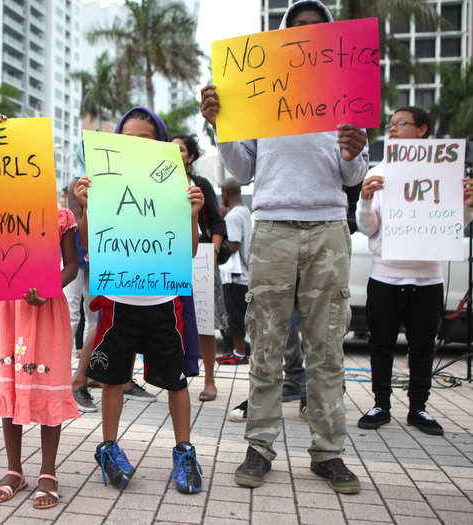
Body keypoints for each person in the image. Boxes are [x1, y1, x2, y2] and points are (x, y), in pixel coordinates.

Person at [200, 0, 368, 495]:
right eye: (298, 30)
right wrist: (221, 125)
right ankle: (259, 447)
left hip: (328, 228)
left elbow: (352, 175)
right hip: (272, 225)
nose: (308, 37)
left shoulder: (345, 94)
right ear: (282, 37)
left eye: (317, 30)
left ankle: (329, 452)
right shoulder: (259, 93)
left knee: (327, 344)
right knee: (266, 340)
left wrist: (354, 154)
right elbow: (243, 169)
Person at [74, 106, 205, 494]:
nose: (135, 145)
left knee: (176, 382)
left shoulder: (176, 187)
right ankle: (109, 448)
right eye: (126, 138)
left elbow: (190, 250)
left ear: (160, 144)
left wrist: (194, 214)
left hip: (163, 300)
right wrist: (84, 207)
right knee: (113, 380)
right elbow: (86, 241)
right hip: (118, 302)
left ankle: (184, 450)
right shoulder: (103, 184)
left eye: (144, 139)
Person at [356, 106, 473, 436]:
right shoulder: (379, 172)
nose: (392, 129)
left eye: (401, 124)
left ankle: (419, 407)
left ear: (422, 130)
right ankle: (381, 403)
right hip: (385, 275)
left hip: (427, 278)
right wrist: (365, 201)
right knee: (381, 343)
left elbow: (452, 226)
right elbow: (368, 228)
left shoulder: (445, 173)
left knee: (422, 345)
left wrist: (466, 204)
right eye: (390, 124)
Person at [0, 191, 80, 509]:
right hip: (6, 312)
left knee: (48, 386)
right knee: (11, 384)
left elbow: (72, 268)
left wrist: (49, 288)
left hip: (46, 310)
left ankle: (48, 473)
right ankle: (15, 470)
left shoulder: (61, 217)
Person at [171, 134, 228, 402]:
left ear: (190, 157)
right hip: (168, 258)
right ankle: (172, 375)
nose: (175, 152)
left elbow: (217, 224)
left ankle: (209, 380)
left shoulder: (201, 184)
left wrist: (212, 253)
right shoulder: (155, 183)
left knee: (204, 322)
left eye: (180, 149)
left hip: (202, 259)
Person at [65, 142, 99, 412]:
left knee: (94, 315)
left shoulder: (111, 179)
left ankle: (83, 372)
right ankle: (63, 372)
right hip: (76, 255)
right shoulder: (77, 181)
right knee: (71, 312)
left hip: (98, 254)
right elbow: (75, 220)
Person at [217, 178, 251, 365]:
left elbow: (234, 245)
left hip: (234, 275)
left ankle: (239, 353)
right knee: (241, 316)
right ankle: (240, 351)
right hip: (245, 274)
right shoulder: (244, 212)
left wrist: (217, 250)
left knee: (235, 316)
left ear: (225, 193)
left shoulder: (233, 217)